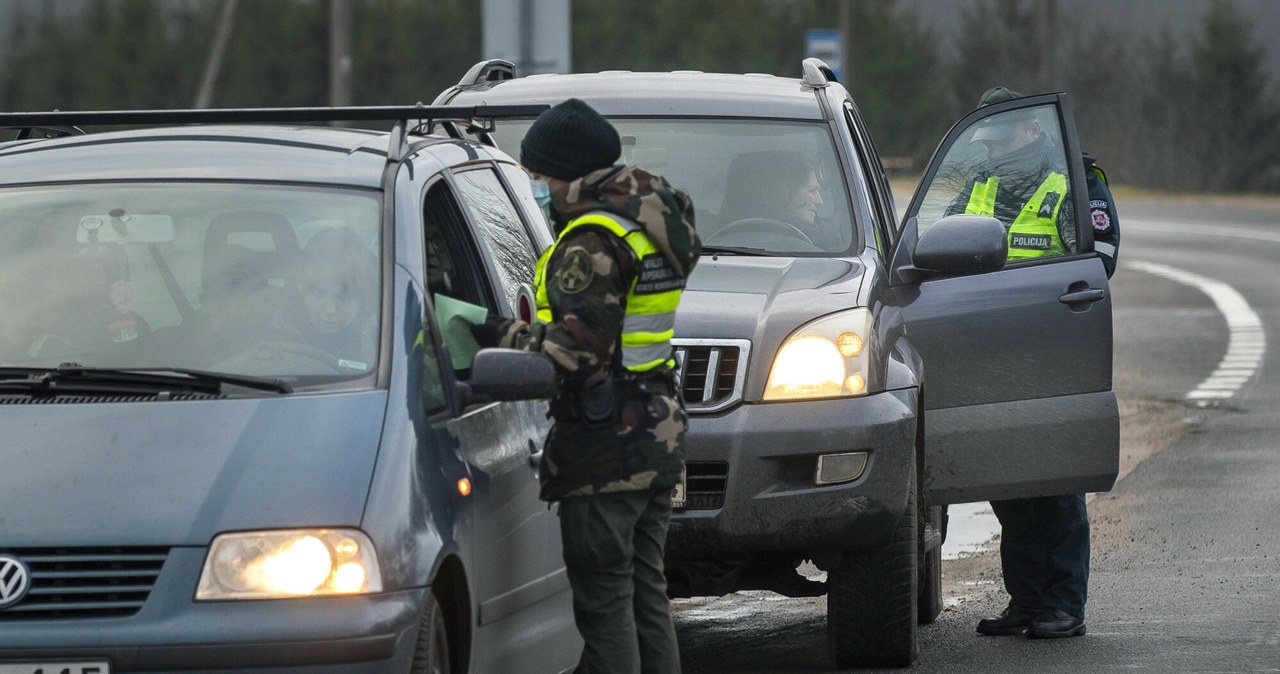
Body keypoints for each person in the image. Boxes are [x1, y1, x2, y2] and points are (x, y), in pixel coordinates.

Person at [469, 98, 701, 674]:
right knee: (647, 596)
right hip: (657, 433)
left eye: (543, 176)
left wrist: (501, 332)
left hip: (606, 445)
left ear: (569, 173)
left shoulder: (588, 243)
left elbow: (576, 357)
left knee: (605, 610)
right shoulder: (648, 225)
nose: (540, 189)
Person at [958, 85, 1112, 640]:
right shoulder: (982, 181)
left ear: (1030, 129)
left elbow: (1101, 260)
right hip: (989, 353)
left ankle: (1064, 604)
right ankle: (1026, 601)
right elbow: (945, 240)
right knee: (1009, 481)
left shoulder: (1071, 176)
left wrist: (1031, 291)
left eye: (1001, 136)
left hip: (1052, 346)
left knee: (1055, 481)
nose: (993, 147)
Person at [276, 226, 377, 368]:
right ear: (300, 288)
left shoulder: (382, 343)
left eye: (343, 297)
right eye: (318, 294)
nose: (330, 310)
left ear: (363, 296)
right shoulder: (274, 336)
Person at [717, 151, 824, 247]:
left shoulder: (829, 242)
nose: (820, 201)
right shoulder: (823, 253)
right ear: (783, 192)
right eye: (812, 190)